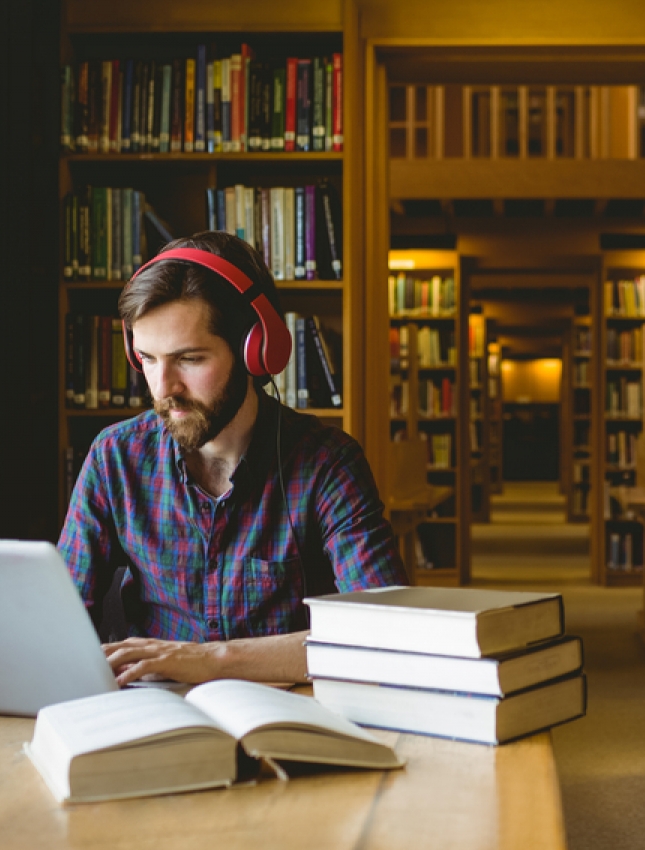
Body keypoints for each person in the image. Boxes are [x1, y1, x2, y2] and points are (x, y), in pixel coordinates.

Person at [58, 231, 407, 686]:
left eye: (189, 359)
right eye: (147, 359)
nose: (164, 389)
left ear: (255, 351)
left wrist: (212, 660)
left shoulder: (328, 465)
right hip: (155, 714)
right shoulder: (115, 459)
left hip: (288, 715)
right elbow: (59, 623)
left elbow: (389, 634)